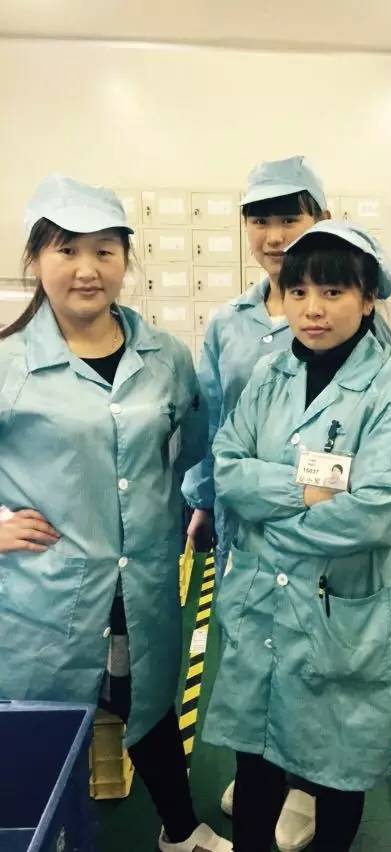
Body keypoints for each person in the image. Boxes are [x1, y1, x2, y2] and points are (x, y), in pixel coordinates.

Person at [0, 175, 231, 852]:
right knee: (46, 724)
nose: (87, 269)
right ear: (36, 259)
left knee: (149, 707)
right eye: (67, 250)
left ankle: (179, 829)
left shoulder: (165, 357)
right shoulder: (10, 363)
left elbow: (195, 445)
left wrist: (192, 505)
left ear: (126, 260)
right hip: (48, 588)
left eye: (104, 251)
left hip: (144, 580)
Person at [181, 155, 391, 851]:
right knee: (258, 684)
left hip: (327, 557)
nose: (275, 236)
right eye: (261, 221)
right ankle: (269, 771)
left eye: (289, 219)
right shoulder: (232, 325)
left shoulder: (378, 354)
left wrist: (277, 497)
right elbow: (218, 429)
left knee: (322, 695)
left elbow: (374, 473)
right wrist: (213, 498)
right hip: (251, 537)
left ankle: (305, 785)